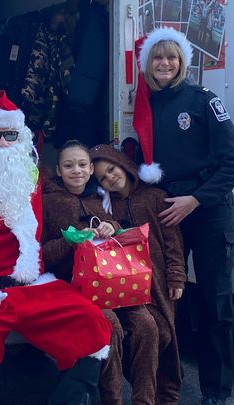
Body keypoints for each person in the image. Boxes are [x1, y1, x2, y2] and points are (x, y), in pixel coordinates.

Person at [0, 91, 112, 404]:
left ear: (21, 138)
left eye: (10, 134)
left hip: (29, 285)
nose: (3, 143)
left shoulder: (28, 181)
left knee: (91, 322)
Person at [133, 27, 234, 405]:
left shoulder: (202, 101)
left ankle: (216, 392)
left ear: (182, 62)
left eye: (172, 57)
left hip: (208, 210)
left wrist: (196, 200)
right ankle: (168, 386)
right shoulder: (146, 106)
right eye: (157, 57)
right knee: (167, 301)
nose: (164, 63)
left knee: (215, 304)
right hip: (169, 213)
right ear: (148, 64)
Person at [41, 139, 160, 405]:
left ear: (90, 169)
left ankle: (145, 400)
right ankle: (112, 400)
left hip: (115, 283)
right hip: (74, 288)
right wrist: (71, 241)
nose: (77, 171)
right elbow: (41, 255)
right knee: (110, 326)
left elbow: (119, 232)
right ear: (59, 170)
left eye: (82, 165)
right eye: (69, 166)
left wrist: (111, 227)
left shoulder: (102, 197)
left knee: (147, 325)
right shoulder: (47, 203)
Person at [90, 144, 188, 405]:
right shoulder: (106, 208)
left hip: (159, 283)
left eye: (112, 169)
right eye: (102, 177)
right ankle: (150, 393)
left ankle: (165, 390)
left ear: (122, 164)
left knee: (165, 333)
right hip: (129, 284)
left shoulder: (155, 197)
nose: (110, 177)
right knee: (145, 332)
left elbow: (173, 242)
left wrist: (176, 275)